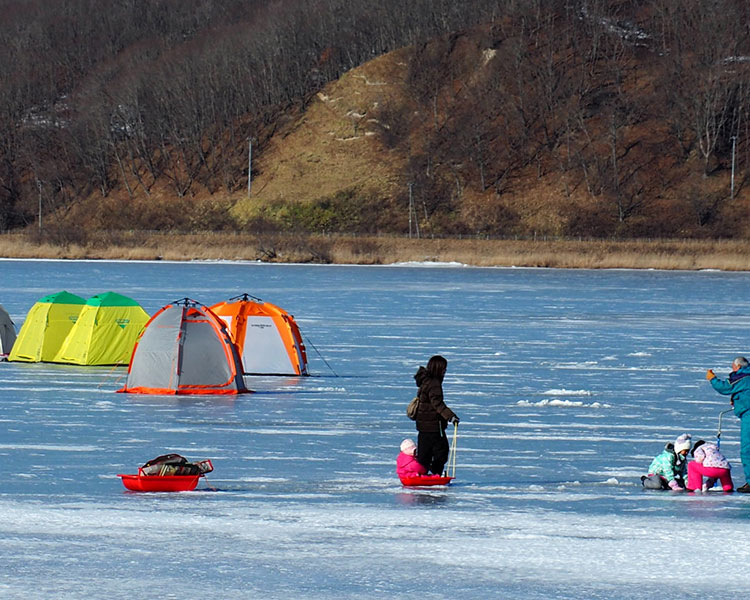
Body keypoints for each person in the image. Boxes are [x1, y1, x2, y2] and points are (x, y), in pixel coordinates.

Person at [707, 356, 750, 493]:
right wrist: (737, 400)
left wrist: (712, 379)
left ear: (738, 366)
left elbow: (725, 387)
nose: (732, 368)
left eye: (732, 366)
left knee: (747, 450)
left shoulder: (743, 376)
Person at [413, 355, 459, 475]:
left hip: (422, 424)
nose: (445, 371)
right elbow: (437, 404)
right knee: (441, 452)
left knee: (425, 453)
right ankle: (435, 473)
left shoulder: (425, 380)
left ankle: (421, 474)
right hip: (433, 424)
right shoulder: (434, 383)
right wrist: (451, 417)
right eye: (444, 368)